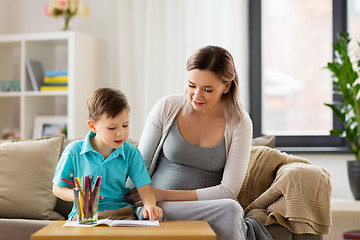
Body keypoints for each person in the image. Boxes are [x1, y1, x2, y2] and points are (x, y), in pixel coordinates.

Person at [126, 46, 253, 239]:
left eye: (208, 89)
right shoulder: (167, 107)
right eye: (192, 85)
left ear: (226, 87)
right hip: (157, 209)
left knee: (232, 209)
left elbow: (228, 190)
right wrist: (131, 202)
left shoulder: (239, 123)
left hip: (203, 208)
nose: (196, 96)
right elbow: (139, 164)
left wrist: (162, 193)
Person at [52, 87, 163, 221]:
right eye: (112, 128)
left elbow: (145, 190)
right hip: (84, 214)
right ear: (93, 126)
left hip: (121, 214)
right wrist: (77, 196)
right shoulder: (74, 151)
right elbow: (57, 189)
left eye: (125, 125)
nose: (121, 133)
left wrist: (150, 205)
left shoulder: (131, 153)